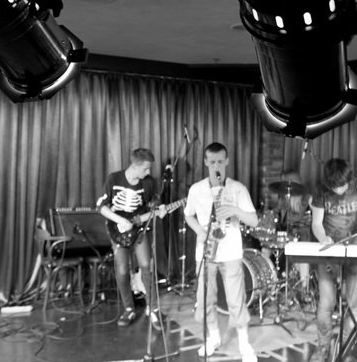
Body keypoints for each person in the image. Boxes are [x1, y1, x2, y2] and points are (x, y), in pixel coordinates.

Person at [183, 142, 259, 362]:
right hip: (205, 251)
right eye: (212, 162)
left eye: (220, 161)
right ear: (205, 162)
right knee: (205, 298)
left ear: (227, 161)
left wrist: (234, 210)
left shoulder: (237, 188)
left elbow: (254, 220)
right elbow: (188, 214)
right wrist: (199, 231)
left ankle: (244, 346)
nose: (216, 166)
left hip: (231, 251)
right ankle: (213, 337)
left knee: (236, 300)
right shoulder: (196, 189)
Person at [309, 158, 357, 362]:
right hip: (329, 249)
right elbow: (316, 223)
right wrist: (323, 238)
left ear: (350, 180)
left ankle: (345, 348)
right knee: (326, 302)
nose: (338, 190)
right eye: (334, 187)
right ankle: (322, 348)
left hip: (355, 247)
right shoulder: (321, 190)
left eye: (342, 186)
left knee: (353, 302)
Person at [97, 148, 167, 328]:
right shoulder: (114, 179)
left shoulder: (149, 183)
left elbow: (152, 205)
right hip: (118, 230)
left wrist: (159, 209)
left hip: (140, 230)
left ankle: (153, 308)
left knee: (146, 266)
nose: (148, 172)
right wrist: (121, 220)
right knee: (122, 270)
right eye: (145, 168)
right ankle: (129, 308)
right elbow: (101, 207)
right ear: (134, 166)